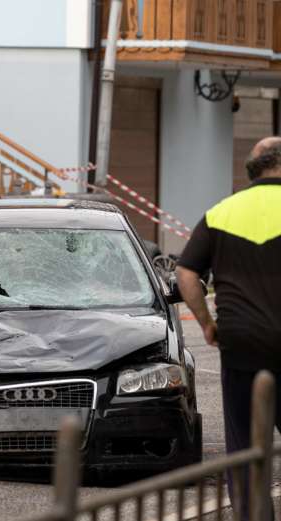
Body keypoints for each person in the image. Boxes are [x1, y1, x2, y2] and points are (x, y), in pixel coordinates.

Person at [176, 136, 281, 521]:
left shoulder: (223, 212)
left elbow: (185, 273)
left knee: (247, 444)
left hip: (242, 345)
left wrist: (206, 324)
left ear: (252, 170)